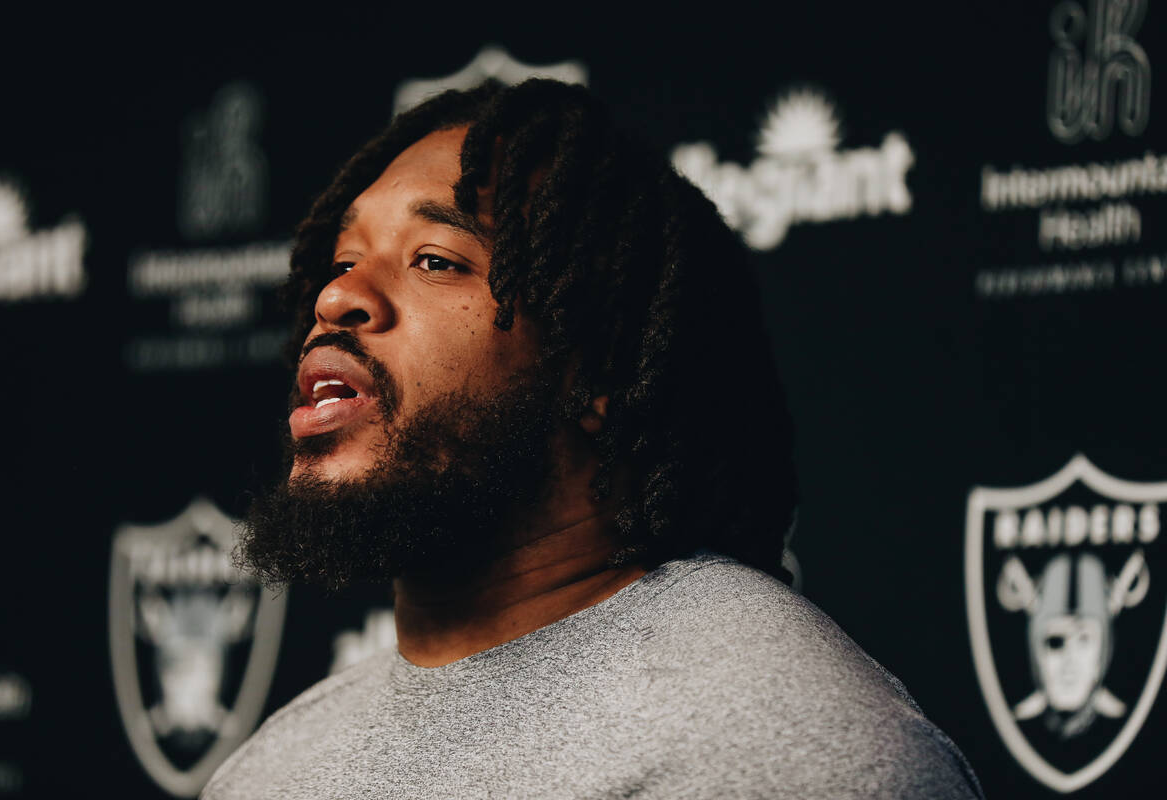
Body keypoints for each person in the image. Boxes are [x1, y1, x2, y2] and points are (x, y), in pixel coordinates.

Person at [203, 79, 984, 799]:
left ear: (599, 373)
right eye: (342, 260)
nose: (338, 296)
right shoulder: (274, 767)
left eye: (435, 260)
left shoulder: (780, 748)